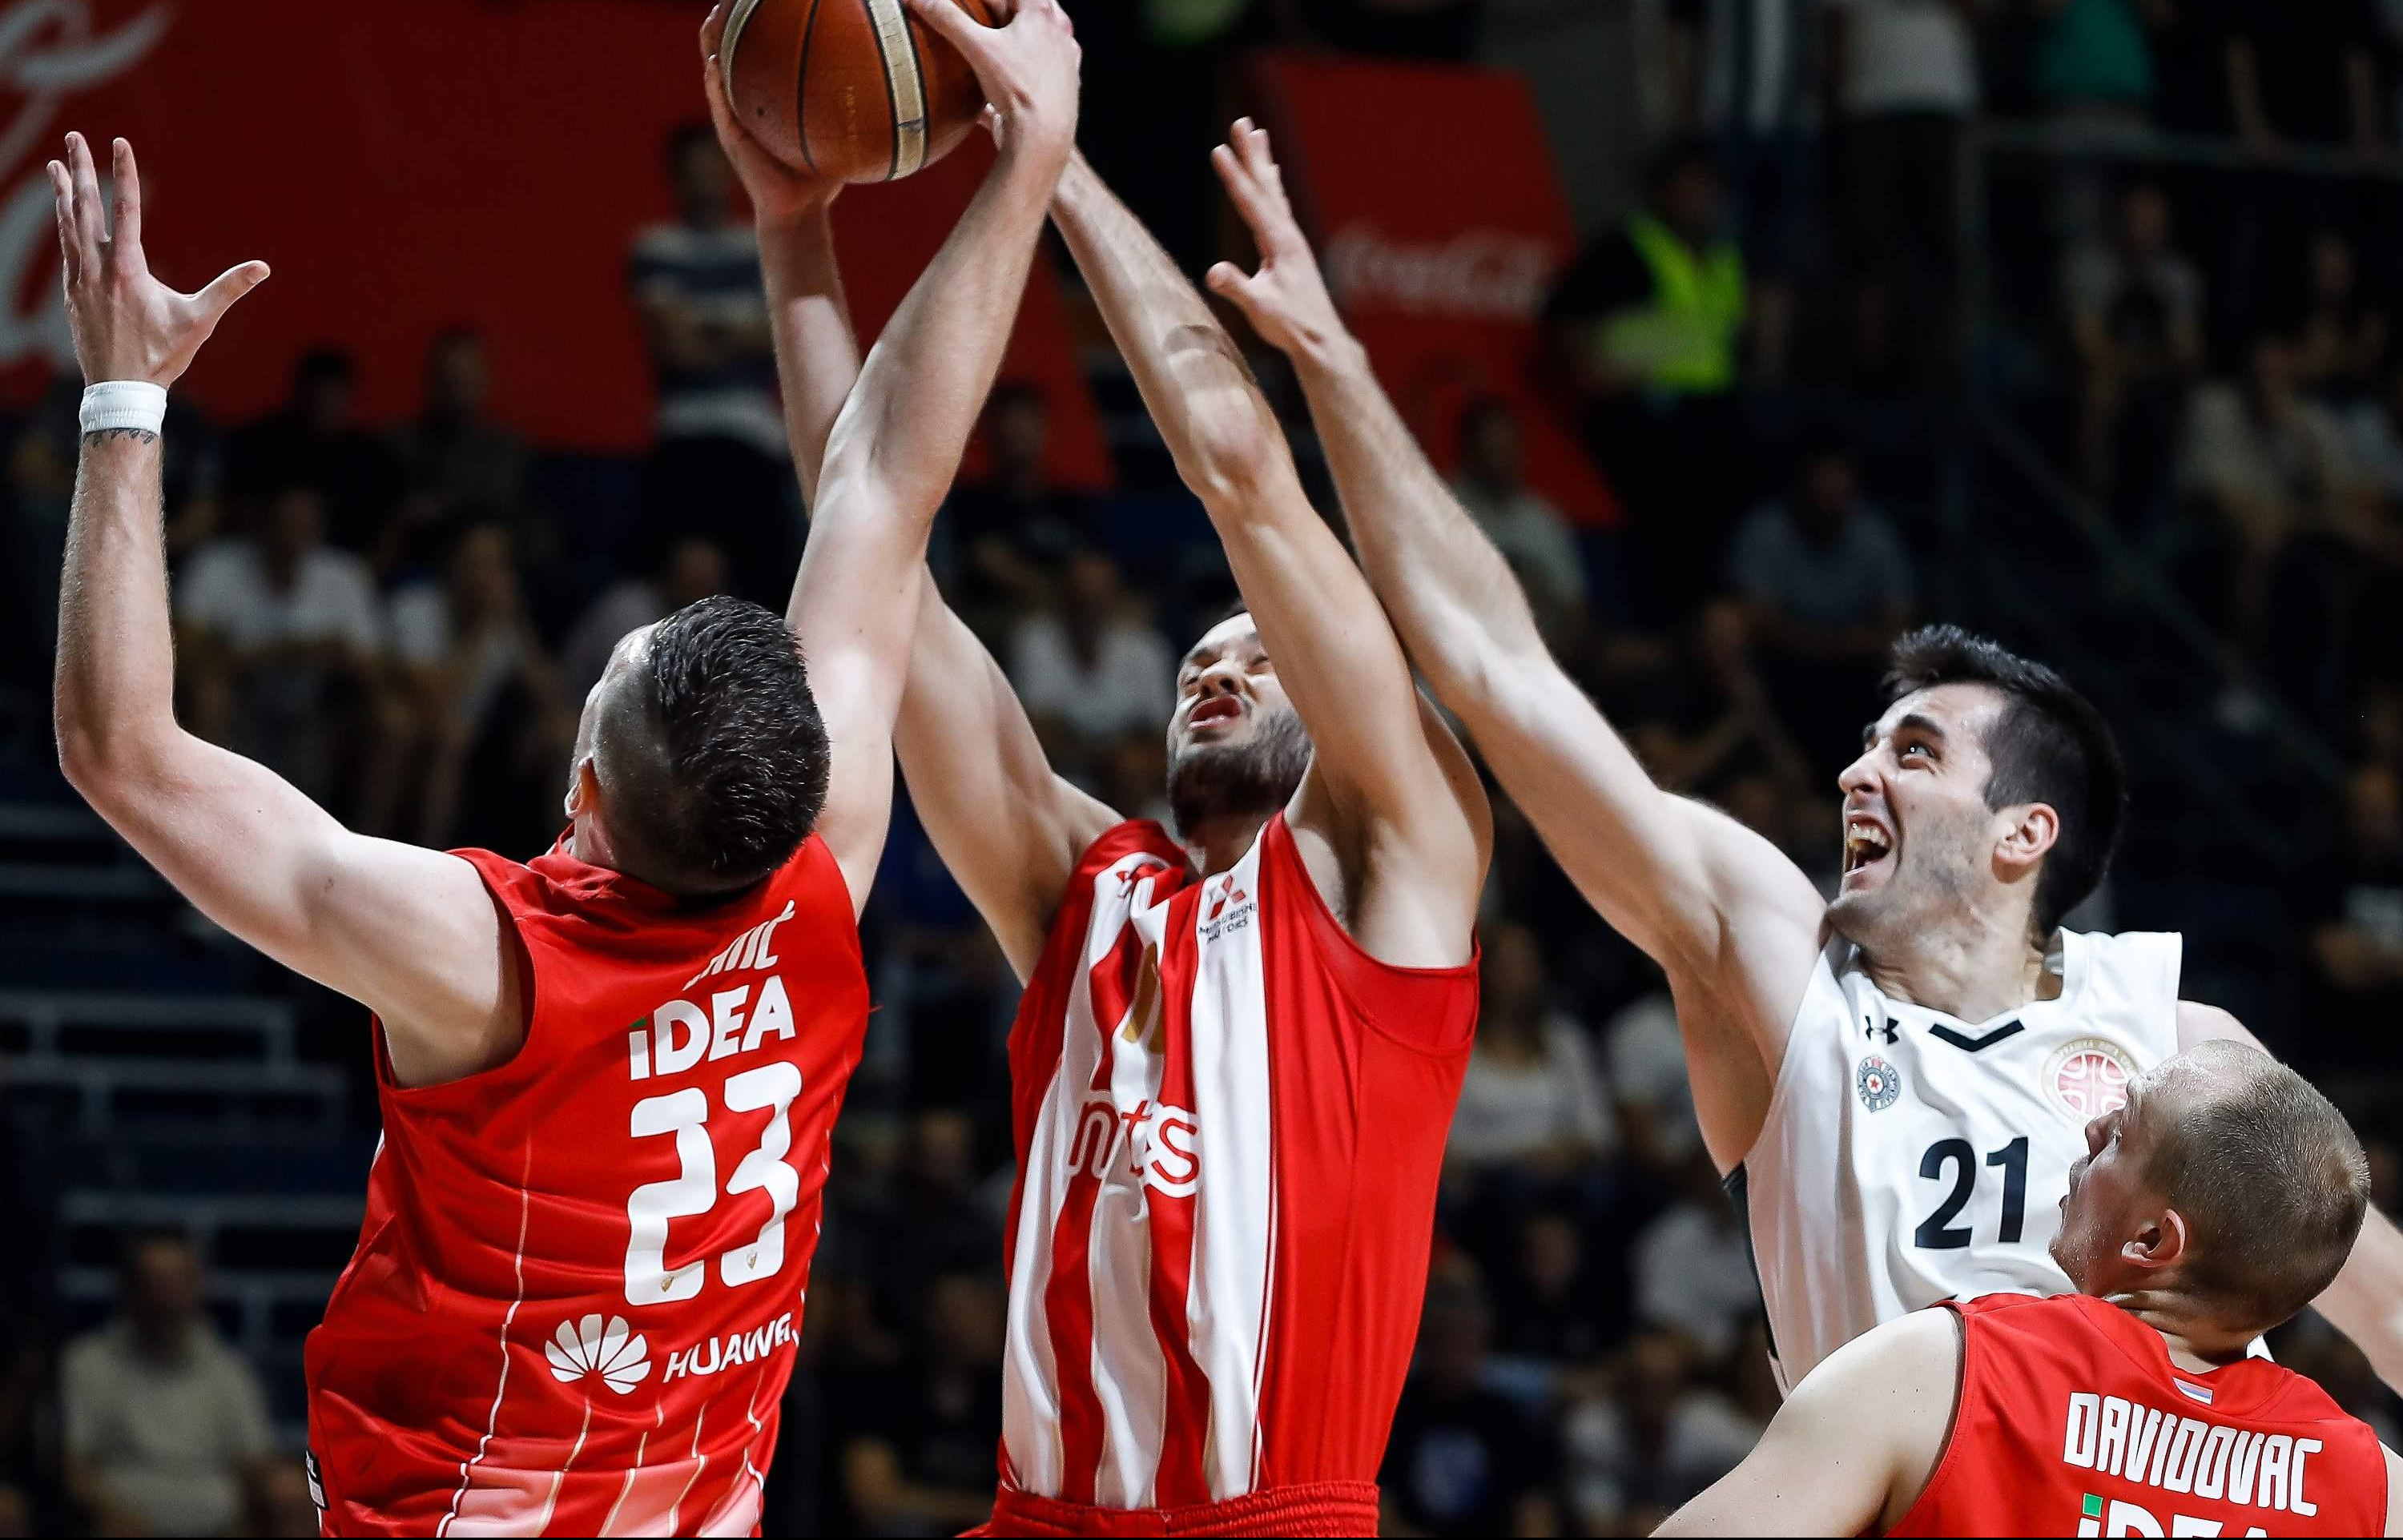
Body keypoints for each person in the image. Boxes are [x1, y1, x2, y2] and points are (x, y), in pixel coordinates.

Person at [46, 0, 1080, 1523]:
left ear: (579, 787)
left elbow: (121, 749)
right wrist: (988, 173)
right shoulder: (822, 886)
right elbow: (884, 480)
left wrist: (122, 398)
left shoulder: (480, 959)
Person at [1202, 119, 2403, 1397]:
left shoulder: (2172, 1039)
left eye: (1916, 751)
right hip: (1891, 1486)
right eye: (1867, 745)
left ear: (2025, 830)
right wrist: (1335, 365)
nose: (1854, 775)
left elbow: (2384, 1301)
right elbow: (1504, 671)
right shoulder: (1781, 971)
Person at [746, 100, 1491, 1531]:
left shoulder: (1405, 854)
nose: (1218, 666)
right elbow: (872, 533)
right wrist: (794, 237)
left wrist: (1055, 157)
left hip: (1263, 1513)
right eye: (1199, 658)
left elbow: (1243, 473)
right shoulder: (1084, 885)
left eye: (1259, 652)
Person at [1656, 1042, 2403, 1535]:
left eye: (2121, 1135)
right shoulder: (2374, 1489)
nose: (2091, 1128)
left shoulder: (1942, 1369)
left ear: (2152, 1242)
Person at [60, 1232, 275, 1538]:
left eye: (177, 1281)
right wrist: (107, 1513)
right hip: (122, 1523)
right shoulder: (86, 1364)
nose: (165, 1297)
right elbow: (72, 1466)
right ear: (128, 1288)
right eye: (153, 1281)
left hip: (220, 1526)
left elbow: (255, 1465)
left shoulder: (229, 1370)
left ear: (198, 1287)